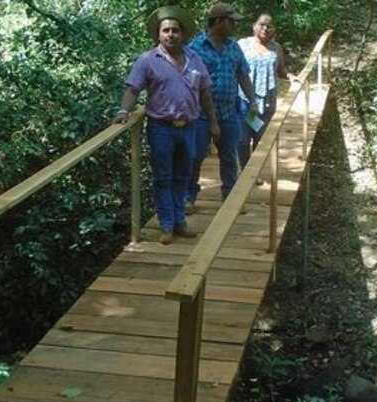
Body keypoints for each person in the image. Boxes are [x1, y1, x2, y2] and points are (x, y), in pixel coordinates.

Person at [113, 6, 219, 245]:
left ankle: (180, 220)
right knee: (163, 177)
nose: (171, 34)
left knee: (183, 175)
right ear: (158, 35)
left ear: (183, 34)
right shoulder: (148, 60)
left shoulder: (194, 58)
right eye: (166, 31)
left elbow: (205, 93)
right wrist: (123, 110)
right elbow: (132, 89)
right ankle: (167, 224)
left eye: (175, 30)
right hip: (161, 128)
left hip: (190, 126)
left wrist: (213, 122)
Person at [187, 3, 258, 214]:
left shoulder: (233, 46)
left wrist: (252, 100)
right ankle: (188, 197)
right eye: (231, 21)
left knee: (229, 156)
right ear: (218, 22)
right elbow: (191, 83)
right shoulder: (195, 47)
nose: (235, 26)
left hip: (229, 112)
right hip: (200, 115)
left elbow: (243, 74)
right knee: (195, 156)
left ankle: (230, 198)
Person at [237, 12, 301, 172]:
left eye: (269, 25)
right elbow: (233, 68)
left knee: (260, 140)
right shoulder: (242, 44)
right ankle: (243, 172)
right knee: (242, 141)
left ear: (273, 29)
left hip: (267, 102)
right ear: (254, 26)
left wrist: (290, 76)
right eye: (262, 24)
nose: (265, 28)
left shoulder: (276, 48)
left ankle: (254, 173)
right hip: (244, 100)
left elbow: (281, 69)